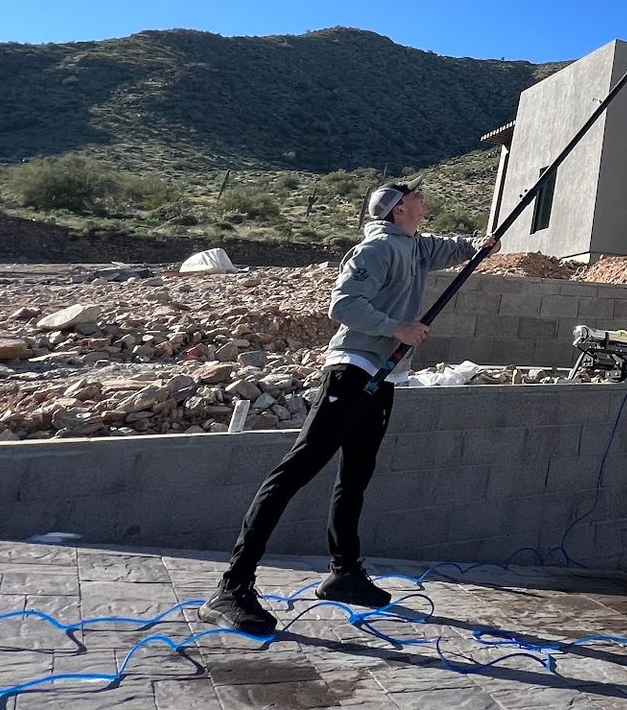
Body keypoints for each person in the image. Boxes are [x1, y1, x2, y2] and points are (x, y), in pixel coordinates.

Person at [200, 179, 497, 634]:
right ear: (398, 209)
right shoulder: (377, 250)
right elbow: (343, 305)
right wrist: (396, 328)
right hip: (353, 370)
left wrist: (480, 245)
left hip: (384, 377)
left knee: (356, 474)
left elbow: (451, 249)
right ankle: (232, 586)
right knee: (296, 470)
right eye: (414, 194)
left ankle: (345, 573)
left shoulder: (414, 245)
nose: (422, 197)